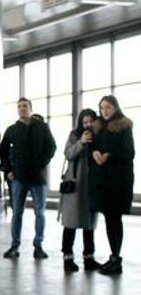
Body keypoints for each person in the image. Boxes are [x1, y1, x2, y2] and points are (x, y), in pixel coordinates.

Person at [0, 98, 56, 259]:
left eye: (25, 106)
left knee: (40, 213)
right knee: (17, 212)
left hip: (38, 177)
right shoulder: (12, 129)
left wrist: (41, 163)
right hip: (18, 178)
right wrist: (8, 169)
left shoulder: (41, 127)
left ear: (30, 109)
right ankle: (14, 246)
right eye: (19, 106)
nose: (22, 109)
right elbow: (2, 151)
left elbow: (51, 146)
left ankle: (38, 245)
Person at [88, 95, 134, 275]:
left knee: (115, 219)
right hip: (102, 181)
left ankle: (116, 258)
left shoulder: (124, 126)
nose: (104, 111)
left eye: (107, 107)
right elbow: (90, 147)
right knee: (109, 219)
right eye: (102, 108)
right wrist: (94, 154)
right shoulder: (97, 127)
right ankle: (114, 258)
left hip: (118, 181)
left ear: (115, 107)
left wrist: (109, 156)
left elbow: (129, 152)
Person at [58, 109, 102, 272]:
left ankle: (89, 258)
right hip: (76, 185)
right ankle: (67, 258)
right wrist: (81, 142)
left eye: (91, 121)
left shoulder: (100, 136)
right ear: (80, 123)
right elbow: (68, 154)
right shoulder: (74, 135)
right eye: (85, 122)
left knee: (89, 223)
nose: (88, 125)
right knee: (71, 222)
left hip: (92, 185)